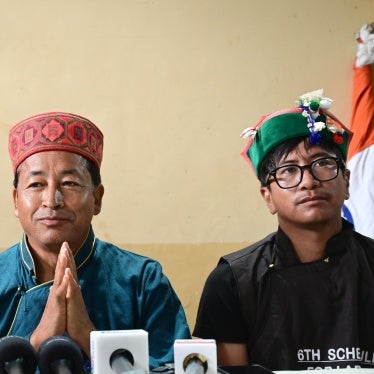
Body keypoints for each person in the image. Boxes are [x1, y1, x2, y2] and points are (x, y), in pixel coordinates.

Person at [193, 89, 374, 370]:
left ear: (347, 182)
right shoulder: (232, 282)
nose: (308, 181)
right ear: (268, 197)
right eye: (289, 170)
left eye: (323, 164)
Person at [1, 112, 191, 370]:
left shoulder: (142, 281)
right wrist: (38, 340)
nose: (52, 199)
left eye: (69, 183)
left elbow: (180, 367)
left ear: (97, 198)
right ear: (15, 200)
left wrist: (89, 337)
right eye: (36, 184)